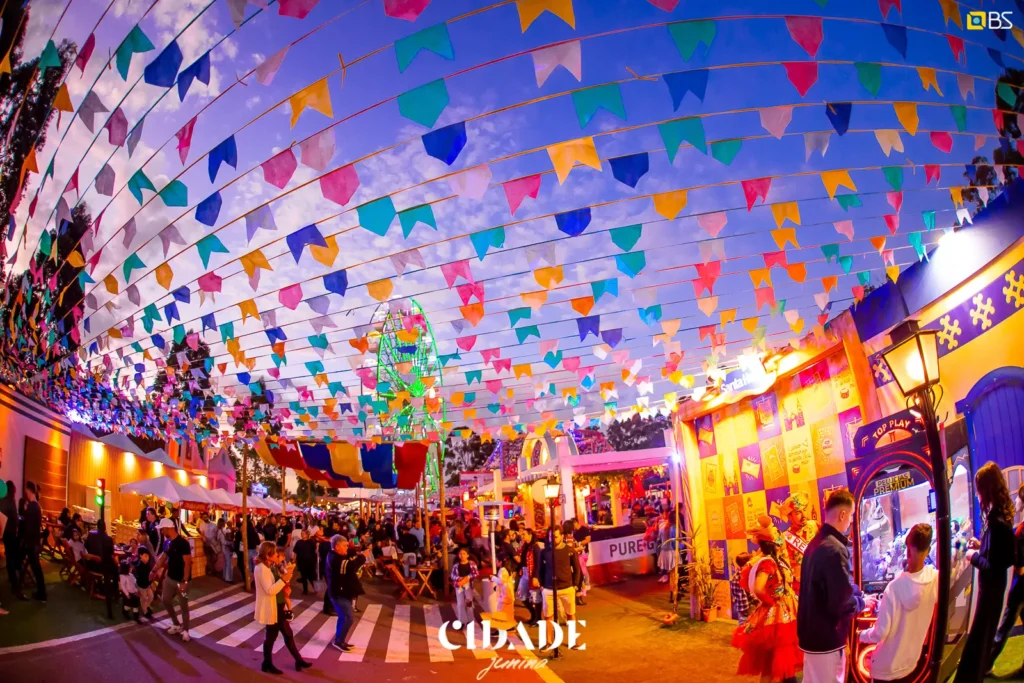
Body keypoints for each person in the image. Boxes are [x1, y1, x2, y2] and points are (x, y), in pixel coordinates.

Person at [798, 489, 871, 683]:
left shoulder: (816, 543)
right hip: (826, 637)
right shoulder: (834, 549)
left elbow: (828, 586)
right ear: (842, 514)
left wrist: (854, 592)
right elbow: (840, 603)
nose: (851, 521)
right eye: (852, 515)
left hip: (812, 635)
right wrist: (862, 602)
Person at [954, 462, 1016, 683]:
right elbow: (999, 555)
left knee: (980, 638)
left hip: (990, 589)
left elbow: (993, 565)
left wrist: (973, 556)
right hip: (994, 588)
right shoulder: (1001, 516)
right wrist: (981, 546)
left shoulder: (996, 521)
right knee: (983, 636)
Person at [859, 523, 938, 682]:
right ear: (928, 550)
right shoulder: (935, 578)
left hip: (885, 668)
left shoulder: (894, 588)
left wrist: (860, 635)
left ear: (907, 549)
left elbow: (879, 633)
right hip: (911, 663)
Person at [732, 516, 801, 682]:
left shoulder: (778, 560)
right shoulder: (768, 562)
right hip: (777, 616)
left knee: (779, 660)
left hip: (786, 611)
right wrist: (770, 602)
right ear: (773, 543)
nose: (782, 543)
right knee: (773, 663)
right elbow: (758, 588)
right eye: (779, 540)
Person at [254, 541, 312, 674]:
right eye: (274, 553)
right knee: (273, 636)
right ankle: (268, 663)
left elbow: (278, 583)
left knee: (285, 634)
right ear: (268, 555)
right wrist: (284, 580)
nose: (277, 555)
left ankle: (297, 660)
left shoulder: (269, 566)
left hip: (278, 605)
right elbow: (270, 590)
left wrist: (286, 576)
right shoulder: (261, 568)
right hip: (272, 607)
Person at [989, 482, 1024, 676]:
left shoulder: (1021, 531)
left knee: (1004, 627)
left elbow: (1019, 568)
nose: (1016, 500)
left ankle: (986, 664)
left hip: (1020, 587)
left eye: (1019, 496)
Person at [152, 517, 192, 641]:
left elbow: (187, 563)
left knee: (183, 605)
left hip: (181, 580)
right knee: (165, 600)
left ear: (168, 528)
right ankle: (176, 624)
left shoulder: (183, 543)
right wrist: (153, 570)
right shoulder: (167, 543)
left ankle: (185, 630)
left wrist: (185, 581)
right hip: (170, 578)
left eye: (162, 529)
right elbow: (163, 558)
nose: (162, 532)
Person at [326, 535, 366, 653]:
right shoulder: (336, 559)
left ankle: (339, 639)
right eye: (345, 546)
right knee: (348, 617)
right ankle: (339, 641)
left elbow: (348, 560)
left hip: (343, 592)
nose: (347, 548)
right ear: (337, 547)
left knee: (343, 617)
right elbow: (351, 566)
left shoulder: (336, 556)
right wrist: (363, 557)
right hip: (338, 593)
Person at [537, 526, 581, 631]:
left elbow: (577, 569)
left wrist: (575, 585)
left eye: (555, 536)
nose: (553, 539)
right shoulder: (544, 552)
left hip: (567, 588)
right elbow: (540, 569)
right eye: (551, 536)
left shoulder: (570, 551)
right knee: (548, 617)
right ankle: (548, 642)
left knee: (570, 615)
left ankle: (572, 641)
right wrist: (542, 586)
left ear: (561, 536)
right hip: (549, 589)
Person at [780, 492, 819, 594]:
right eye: (798, 513)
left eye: (804, 510)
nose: (804, 515)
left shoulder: (815, 527)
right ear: (789, 516)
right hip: (801, 590)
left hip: (820, 583)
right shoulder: (785, 538)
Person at [19, 481, 46, 603]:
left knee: (35, 568)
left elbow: (28, 526)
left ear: (29, 491)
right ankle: (41, 592)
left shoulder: (32, 507)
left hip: (31, 542)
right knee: (36, 568)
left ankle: (41, 593)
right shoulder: (36, 506)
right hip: (34, 542)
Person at [451, 547, 479, 625]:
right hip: (459, 585)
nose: (462, 555)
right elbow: (452, 575)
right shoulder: (456, 565)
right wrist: (459, 578)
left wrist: (468, 577)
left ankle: (471, 620)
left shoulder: (472, 564)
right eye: (460, 554)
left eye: (464, 554)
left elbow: (476, 573)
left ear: (467, 555)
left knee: (469, 603)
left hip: (468, 585)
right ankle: (462, 621)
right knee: (460, 604)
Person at [0, 481, 18, 602]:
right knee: (11, 557)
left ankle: (12, 579)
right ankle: (14, 583)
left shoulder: (3, 501)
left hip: (5, 533)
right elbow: (15, 520)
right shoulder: (10, 501)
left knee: (9, 556)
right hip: (11, 534)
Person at [729, 552, 754, 626]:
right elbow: (742, 596)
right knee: (744, 624)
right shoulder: (740, 576)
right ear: (746, 563)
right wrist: (747, 609)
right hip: (745, 607)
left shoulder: (739, 574)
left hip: (744, 607)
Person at [292, 529, 318, 595]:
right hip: (301, 561)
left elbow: (315, 551)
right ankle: (305, 590)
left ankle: (315, 589)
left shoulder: (311, 542)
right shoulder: (299, 542)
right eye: (301, 533)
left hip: (309, 562)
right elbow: (295, 552)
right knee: (303, 576)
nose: (302, 535)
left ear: (307, 534)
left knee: (310, 576)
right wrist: (294, 559)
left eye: (304, 533)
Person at [134, 546, 155, 619]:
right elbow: (142, 577)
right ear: (140, 556)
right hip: (142, 585)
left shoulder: (146, 564)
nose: (147, 558)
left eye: (148, 556)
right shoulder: (140, 565)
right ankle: (145, 611)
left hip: (146, 584)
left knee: (151, 596)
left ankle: (147, 606)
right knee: (144, 599)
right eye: (145, 556)